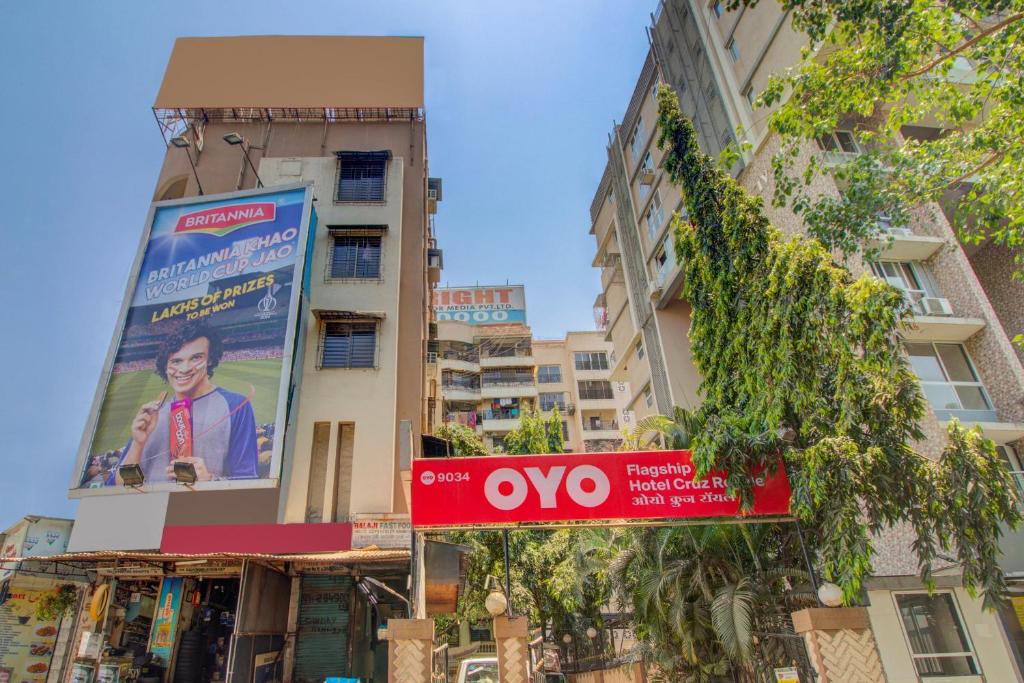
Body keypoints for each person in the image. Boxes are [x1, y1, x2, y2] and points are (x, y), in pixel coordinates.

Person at [110, 321, 258, 485]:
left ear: (210, 359)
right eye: (176, 361)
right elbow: (121, 485)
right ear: (166, 366)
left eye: (196, 358)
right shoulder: (152, 415)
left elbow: (248, 480)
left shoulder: (235, 405)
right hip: (153, 502)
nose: (184, 369)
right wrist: (138, 444)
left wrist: (209, 480)